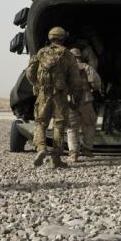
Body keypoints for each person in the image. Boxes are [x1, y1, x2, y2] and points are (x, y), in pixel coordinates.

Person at [25, 26, 82, 169]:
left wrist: (37, 85)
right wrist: (75, 94)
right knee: (59, 124)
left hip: (44, 93)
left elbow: (30, 72)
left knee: (40, 122)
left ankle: (41, 148)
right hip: (60, 94)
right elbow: (75, 78)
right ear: (63, 38)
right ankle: (56, 159)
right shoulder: (67, 54)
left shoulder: (41, 53)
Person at [66, 48, 102, 162]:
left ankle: (73, 154)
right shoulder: (86, 67)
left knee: (72, 128)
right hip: (86, 99)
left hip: (70, 100)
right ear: (79, 56)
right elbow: (96, 83)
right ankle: (87, 149)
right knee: (89, 124)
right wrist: (90, 88)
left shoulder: (65, 69)